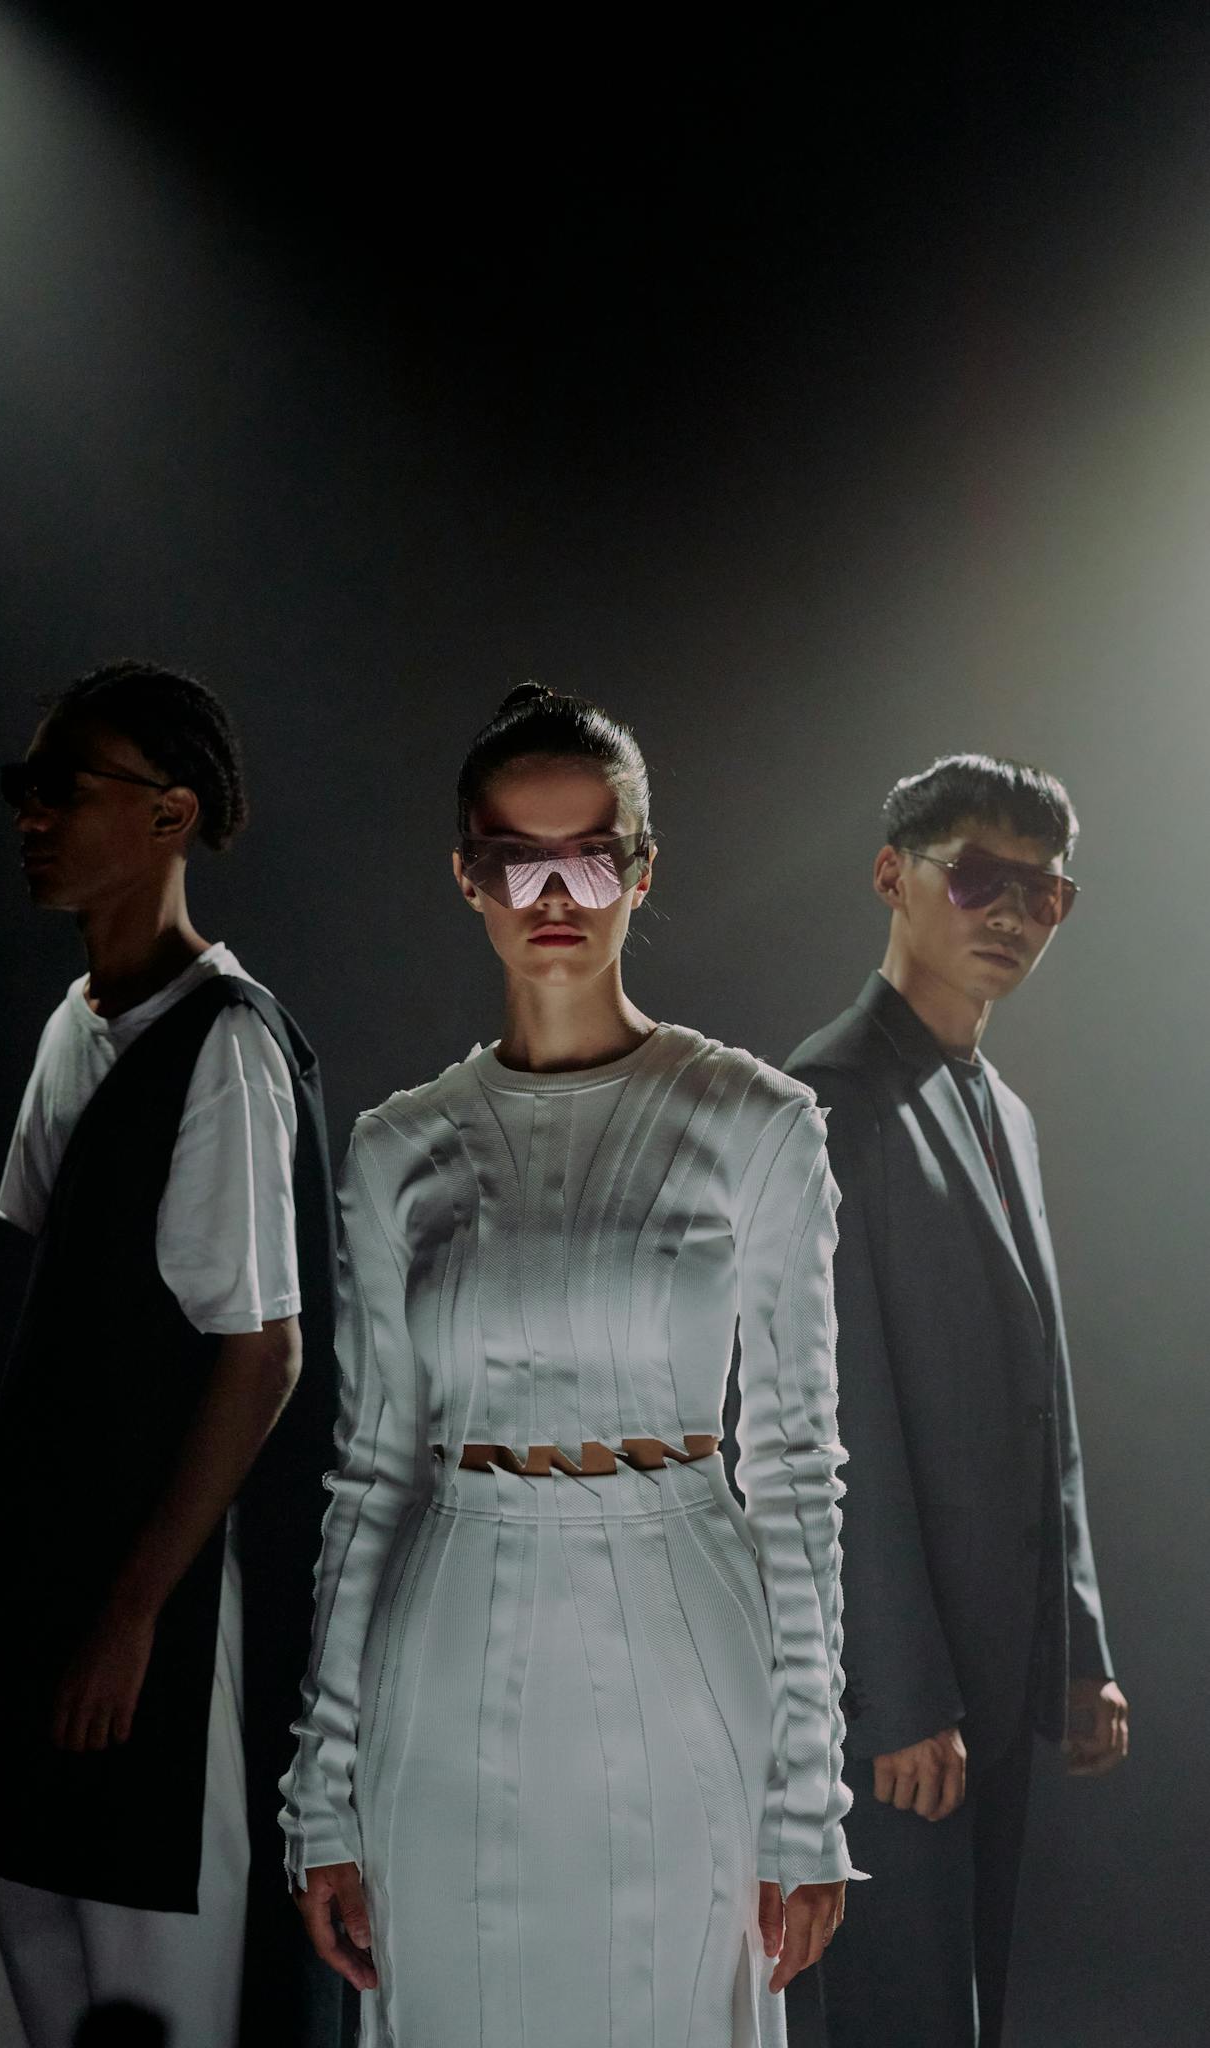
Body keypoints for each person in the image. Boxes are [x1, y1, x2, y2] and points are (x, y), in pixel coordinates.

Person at [280, 683, 857, 2048]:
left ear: (642, 868)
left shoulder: (757, 1126)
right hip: (449, 1639)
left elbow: (795, 1469)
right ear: (466, 873)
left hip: (683, 1646)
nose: (555, 890)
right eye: (513, 855)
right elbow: (366, 1475)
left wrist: (808, 1798)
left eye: (591, 852)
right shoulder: (394, 1146)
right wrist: (321, 1787)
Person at [0, 662, 343, 2048]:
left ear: (170, 817)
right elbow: (39, 1317)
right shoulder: (77, 1027)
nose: (33, 816)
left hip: (155, 1624)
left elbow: (264, 1354)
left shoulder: (226, 1044)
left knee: (157, 2002)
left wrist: (132, 1613)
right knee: (34, 1986)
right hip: (35, 1600)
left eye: (67, 790)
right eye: (25, 789)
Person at [784, 754, 1128, 2048]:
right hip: (897, 1692)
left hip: (993, 1661)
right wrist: (897, 1693)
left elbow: (1041, 1398)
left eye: (1039, 891)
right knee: (897, 2013)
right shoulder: (822, 1106)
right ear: (891, 875)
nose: (1008, 912)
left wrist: (1074, 1644)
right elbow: (834, 1422)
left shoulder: (1005, 1115)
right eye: (975, 875)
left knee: (961, 2008)